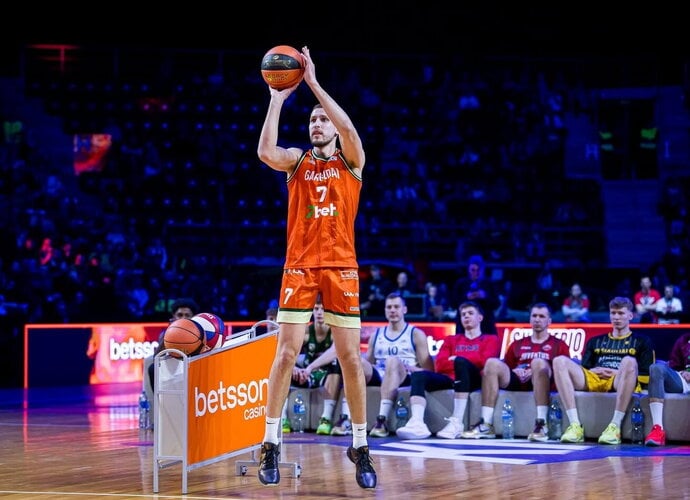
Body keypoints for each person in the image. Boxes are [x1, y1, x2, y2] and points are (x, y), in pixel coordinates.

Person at [255, 46, 375, 489]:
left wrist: (313, 84)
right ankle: (270, 442)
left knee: (351, 360)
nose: (317, 124)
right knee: (285, 354)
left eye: (322, 119)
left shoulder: (352, 161)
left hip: (341, 267)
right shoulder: (297, 161)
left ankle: (360, 446)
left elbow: (350, 129)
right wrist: (276, 99)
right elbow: (265, 151)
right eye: (312, 120)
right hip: (300, 267)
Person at [553, 296, 655, 444]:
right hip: (594, 378)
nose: (616, 317)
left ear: (630, 316)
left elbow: (646, 376)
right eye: (613, 313)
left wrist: (617, 372)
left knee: (628, 361)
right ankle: (575, 426)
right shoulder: (595, 341)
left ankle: (615, 426)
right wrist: (594, 371)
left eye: (621, 313)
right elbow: (584, 368)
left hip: (619, 380)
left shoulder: (642, 341)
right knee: (559, 361)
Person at [460, 303, 570, 440]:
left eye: (542, 316)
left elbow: (563, 371)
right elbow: (506, 367)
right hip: (518, 380)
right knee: (492, 363)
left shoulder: (559, 345)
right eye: (534, 316)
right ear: (530, 319)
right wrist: (516, 370)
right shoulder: (517, 344)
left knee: (538, 363)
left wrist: (534, 370)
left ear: (549, 321)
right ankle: (486, 425)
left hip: (544, 380)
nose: (537, 319)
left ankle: (542, 424)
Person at [396, 301, 499, 439]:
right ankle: (417, 423)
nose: (466, 316)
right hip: (450, 378)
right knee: (418, 375)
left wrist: (458, 359)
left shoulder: (491, 339)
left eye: (470, 313)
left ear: (480, 317)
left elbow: (484, 362)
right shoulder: (451, 340)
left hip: (473, 379)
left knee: (461, 363)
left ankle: (457, 422)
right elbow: (440, 364)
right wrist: (459, 361)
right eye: (463, 314)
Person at [364, 292, 434, 437]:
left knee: (392, 360)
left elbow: (428, 370)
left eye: (396, 307)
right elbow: (369, 364)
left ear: (404, 310)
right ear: (385, 310)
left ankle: (382, 420)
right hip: (381, 375)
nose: (392, 310)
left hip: (404, 375)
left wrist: (410, 367)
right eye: (389, 307)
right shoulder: (376, 335)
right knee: (356, 362)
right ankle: (346, 420)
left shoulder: (416, 334)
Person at [281, 296, 335, 434]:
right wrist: (293, 367)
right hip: (307, 375)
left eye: (323, 309)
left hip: (327, 374)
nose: (319, 312)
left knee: (337, 365)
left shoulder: (335, 331)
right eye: (316, 309)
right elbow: (289, 351)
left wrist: (310, 368)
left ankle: (326, 419)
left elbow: (335, 351)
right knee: (284, 367)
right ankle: (283, 418)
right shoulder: (305, 332)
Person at [644, 331, 690, 446]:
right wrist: (682, 372)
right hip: (685, 381)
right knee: (656, 368)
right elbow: (675, 365)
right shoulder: (684, 340)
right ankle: (658, 429)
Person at [451, 255, 500, 334]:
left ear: (482, 270)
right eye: (473, 270)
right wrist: (466, 297)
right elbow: (453, 304)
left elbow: (496, 304)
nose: (476, 273)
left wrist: (485, 297)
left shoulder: (489, 284)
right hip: (464, 329)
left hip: (485, 327)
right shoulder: (461, 284)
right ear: (468, 269)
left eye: (478, 270)